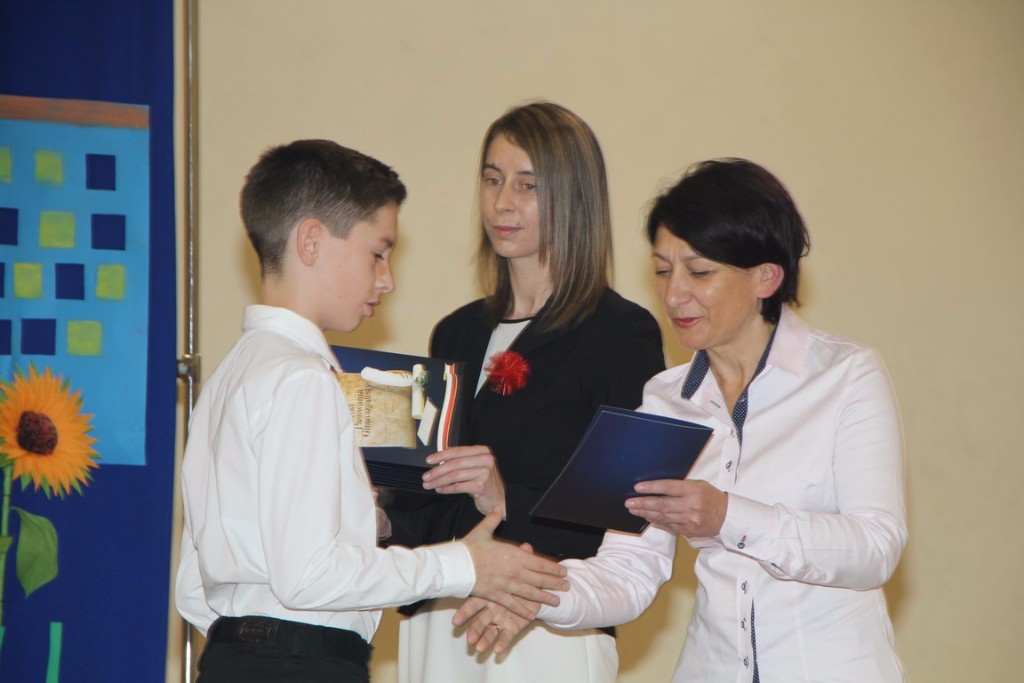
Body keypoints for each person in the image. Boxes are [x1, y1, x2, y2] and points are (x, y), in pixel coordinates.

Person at [457, 158, 908, 682]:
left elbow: (875, 547)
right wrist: (537, 596)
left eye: (699, 272)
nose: (674, 295)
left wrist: (727, 517)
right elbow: (629, 567)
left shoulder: (846, 375)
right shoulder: (663, 398)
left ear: (766, 277)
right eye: (662, 271)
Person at [174, 139, 570, 683]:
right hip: (300, 664)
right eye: (378, 253)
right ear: (311, 241)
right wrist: (463, 563)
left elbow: (193, 586)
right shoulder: (304, 379)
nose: (387, 279)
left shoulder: (228, 376)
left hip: (230, 657)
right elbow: (308, 575)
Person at [385, 102, 665, 682]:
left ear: (573, 198)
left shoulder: (619, 332)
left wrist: (505, 496)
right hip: (441, 609)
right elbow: (431, 494)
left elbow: (627, 515)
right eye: (492, 180)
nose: (502, 203)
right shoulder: (456, 331)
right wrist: (381, 518)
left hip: (543, 620)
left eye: (528, 185)